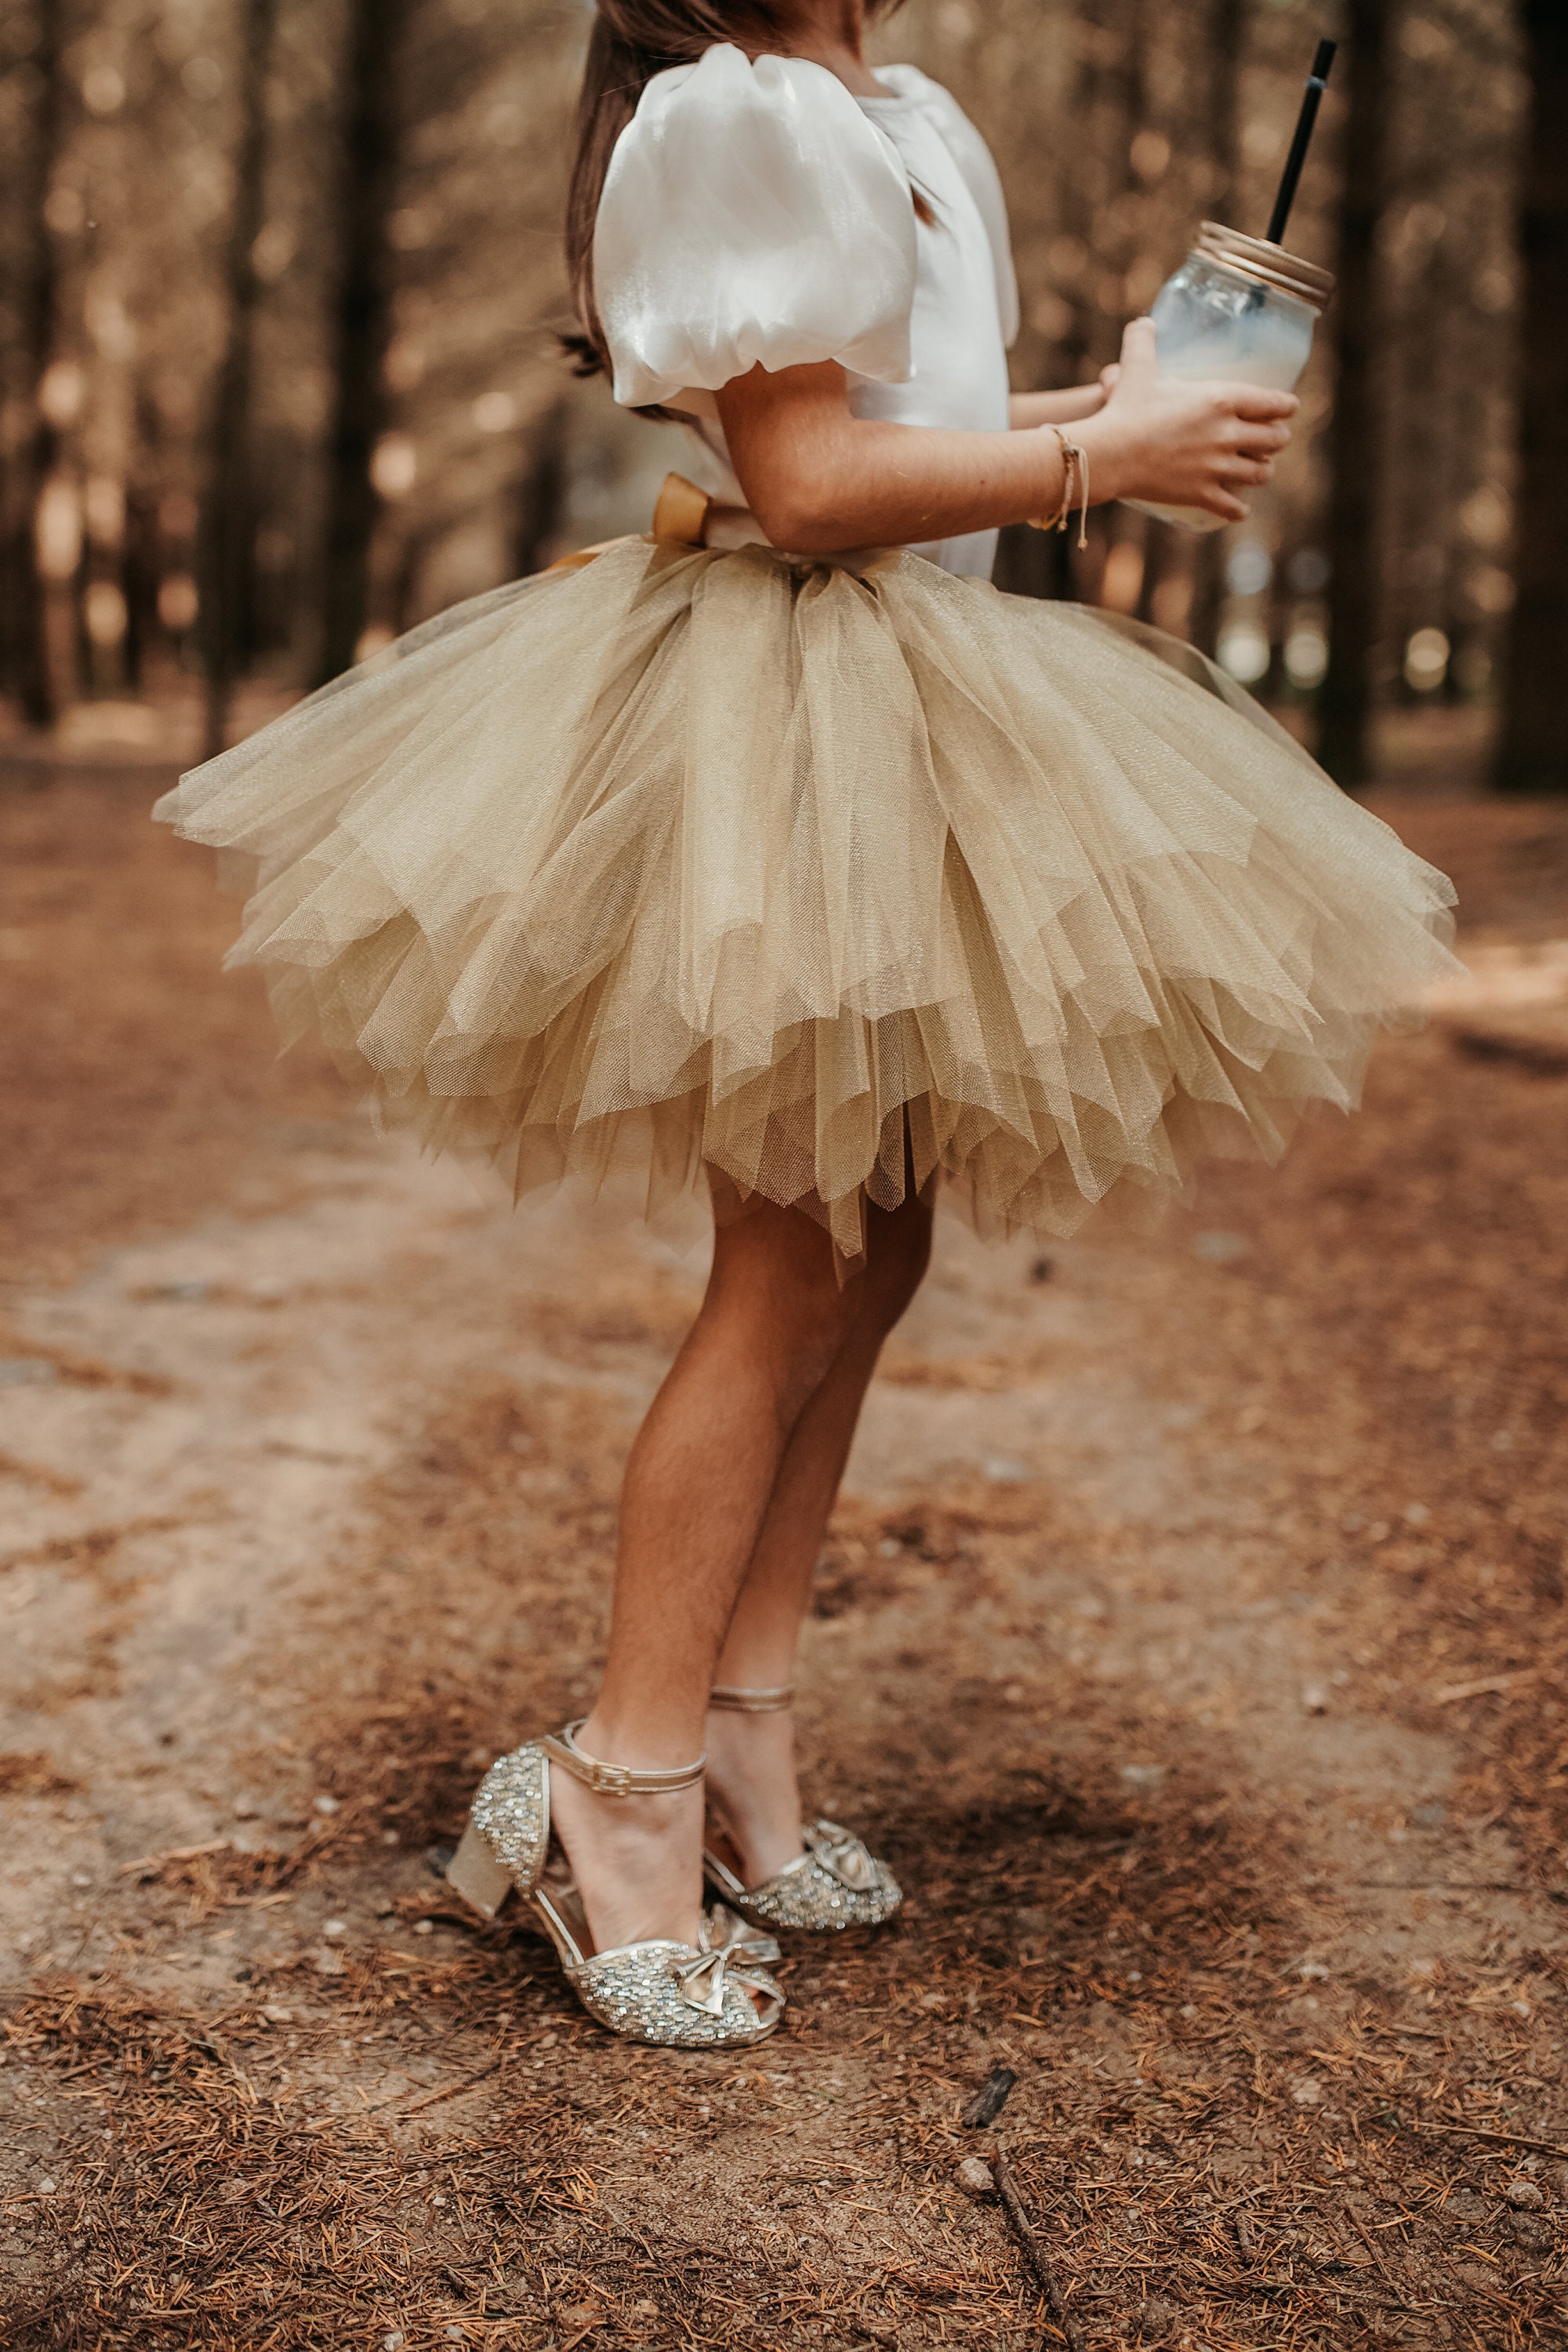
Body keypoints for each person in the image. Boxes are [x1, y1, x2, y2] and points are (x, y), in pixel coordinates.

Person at [155, 0, 1457, 2048]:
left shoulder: (895, 106)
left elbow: (892, 410)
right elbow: (811, 474)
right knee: (779, 1267)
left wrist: (1101, 415)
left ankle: (745, 1734)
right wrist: (1094, 455)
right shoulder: (737, 116)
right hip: (788, 724)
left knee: (883, 1233)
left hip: (923, 687)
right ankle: (619, 1785)